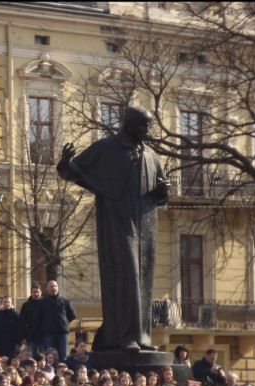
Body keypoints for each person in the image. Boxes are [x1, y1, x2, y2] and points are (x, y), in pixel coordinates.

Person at [57, 105, 170, 351]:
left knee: (144, 279)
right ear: (128, 124)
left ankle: (142, 337)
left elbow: (160, 193)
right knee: (127, 276)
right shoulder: (108, 148)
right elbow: (75, 171)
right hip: (118, 221)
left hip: (146, 224)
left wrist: (163, 193)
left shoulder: (151, 155)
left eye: (148, 125)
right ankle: (124, 337)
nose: (147, 130)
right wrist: (64, 164)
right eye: (142, 125)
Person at [33, 280, 76, 361]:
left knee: (63, 356)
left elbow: (73, 315)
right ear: (47, 289)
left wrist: (65, 322)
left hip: (62, 333)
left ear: (58, 288)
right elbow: (37, 318)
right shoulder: (42, 302)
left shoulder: (65, 301)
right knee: (50, 356)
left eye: (55, 286)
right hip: (48, 333)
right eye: (51, 286)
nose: (53, 288)